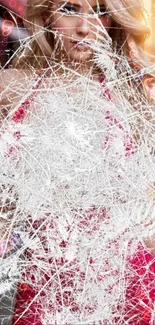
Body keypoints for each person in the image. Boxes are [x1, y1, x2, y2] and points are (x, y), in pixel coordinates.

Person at [0, 0, 155, 324]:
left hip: (126, 288)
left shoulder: (133, 93)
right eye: (70, 9)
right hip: (45, 292)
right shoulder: (14, 89)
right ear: (48, 15)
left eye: (99, 10)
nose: (84, 26)